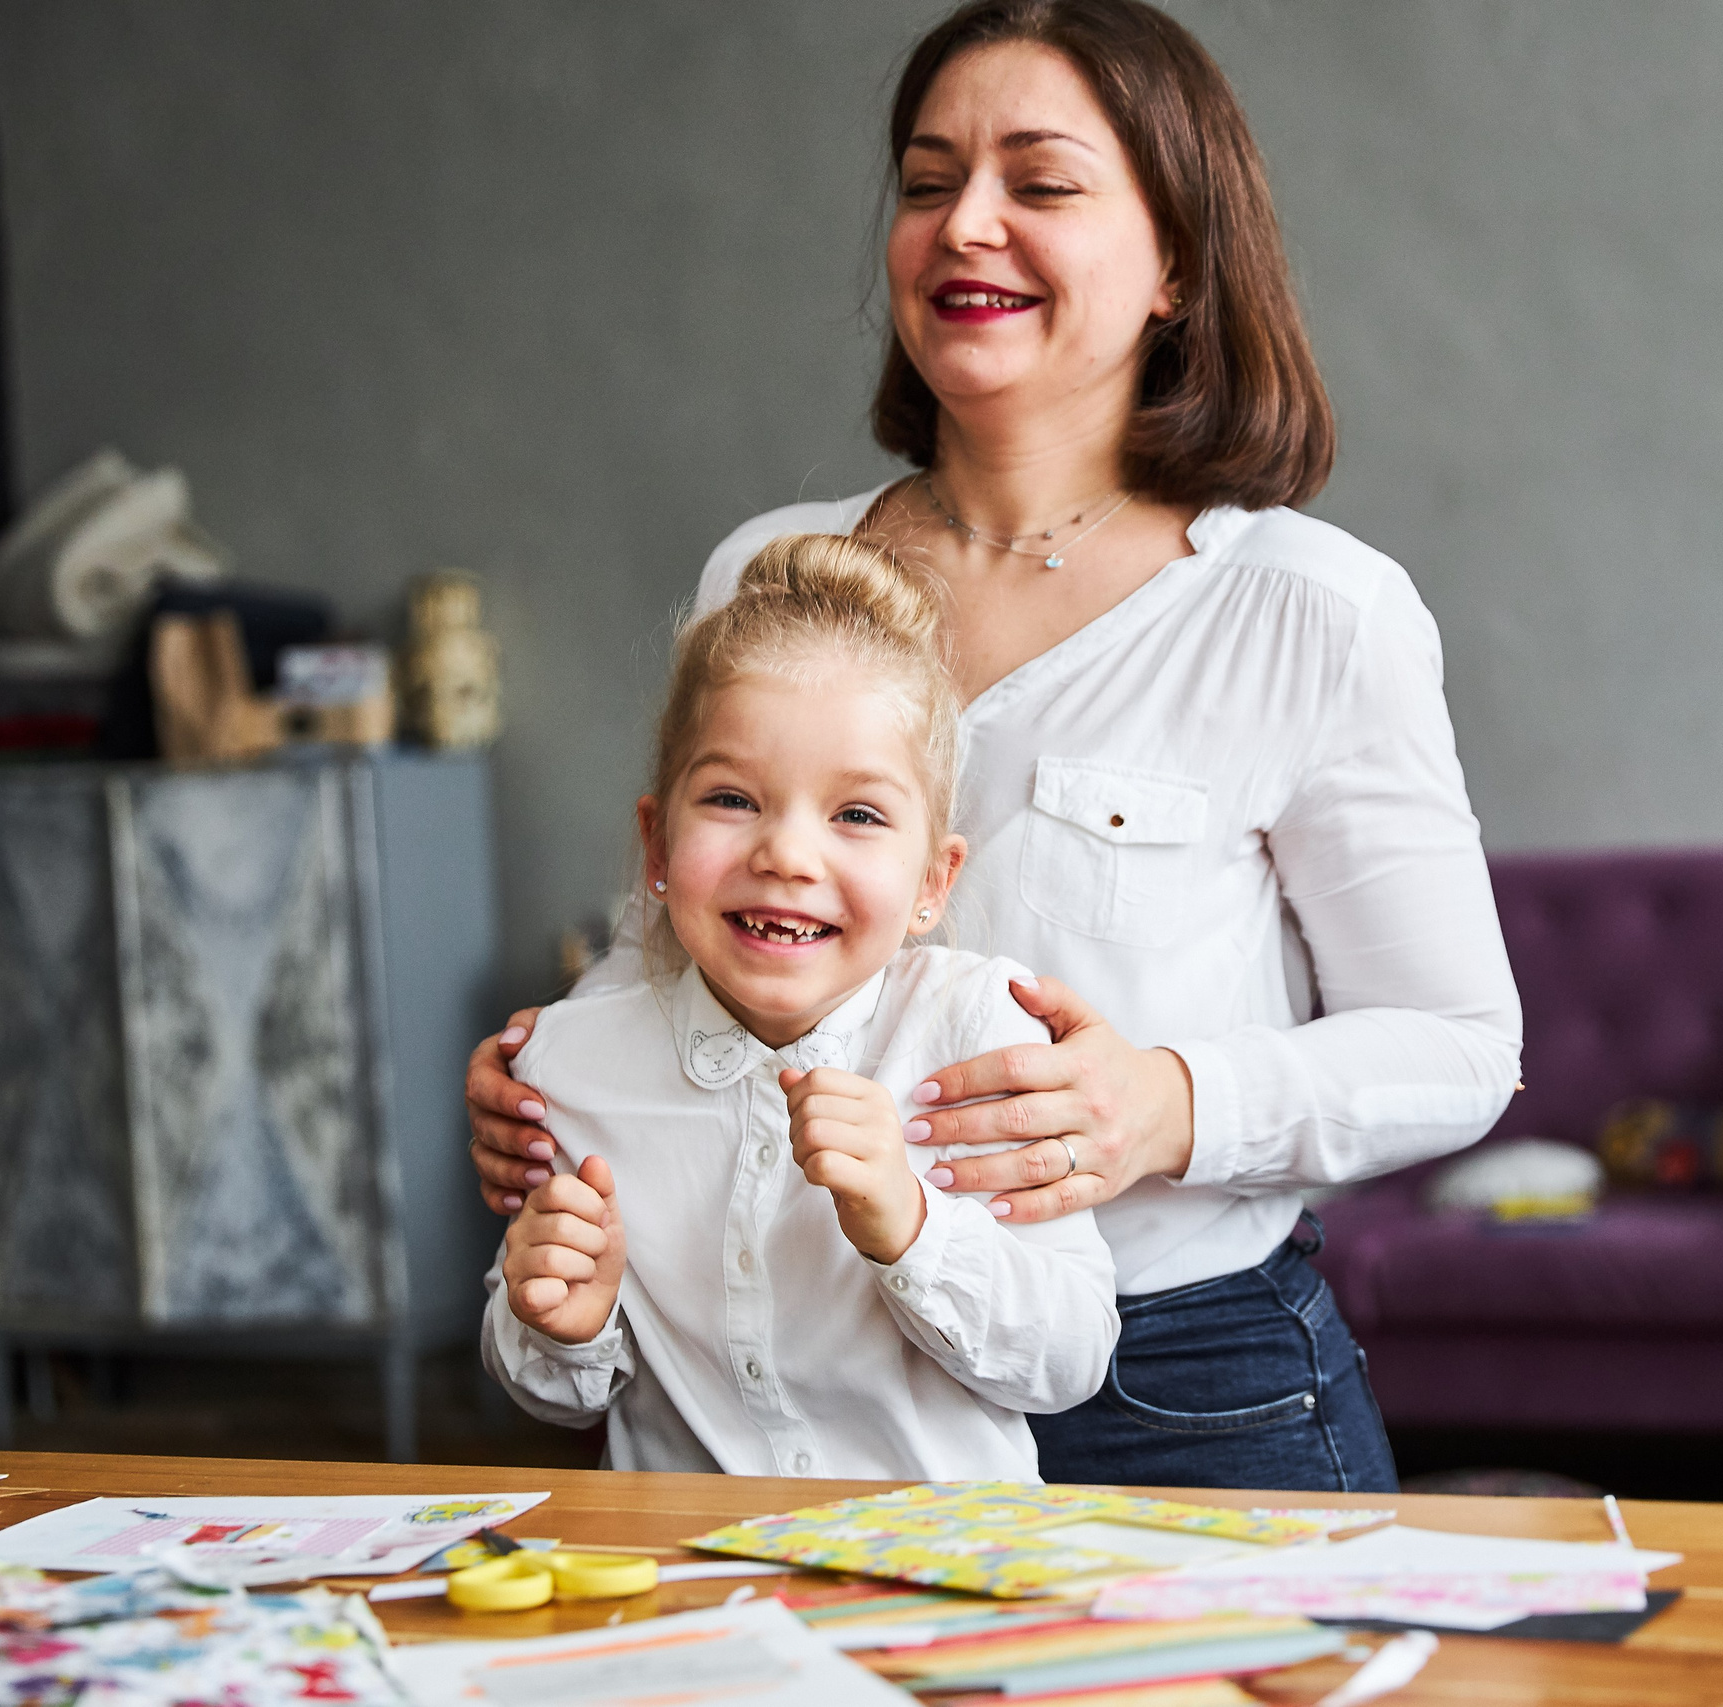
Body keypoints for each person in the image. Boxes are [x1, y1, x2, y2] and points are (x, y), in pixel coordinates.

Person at [473, 0, 1522, 1493]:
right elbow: (681, 937)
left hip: (1179, 1393)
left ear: (1175, 260)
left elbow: (1462, 1046)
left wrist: (1169, 1102)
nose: (966, 224)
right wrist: (551, 1076)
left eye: (1039, 182)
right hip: (800, 1399)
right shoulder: (773, 570)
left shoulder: (1308, 607)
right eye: (925, 181)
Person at [486, 532, 1118, 1478]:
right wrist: (560, 1325)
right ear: (657, 847)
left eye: (857, 814)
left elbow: (1071, 1358)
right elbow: (540, 1381)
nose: (787, 853)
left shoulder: (975, 1038)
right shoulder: (569, 1068)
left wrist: (910, 1222)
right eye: (733, 798)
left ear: (931, 882)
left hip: (940, 1577)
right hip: (692, 1580)